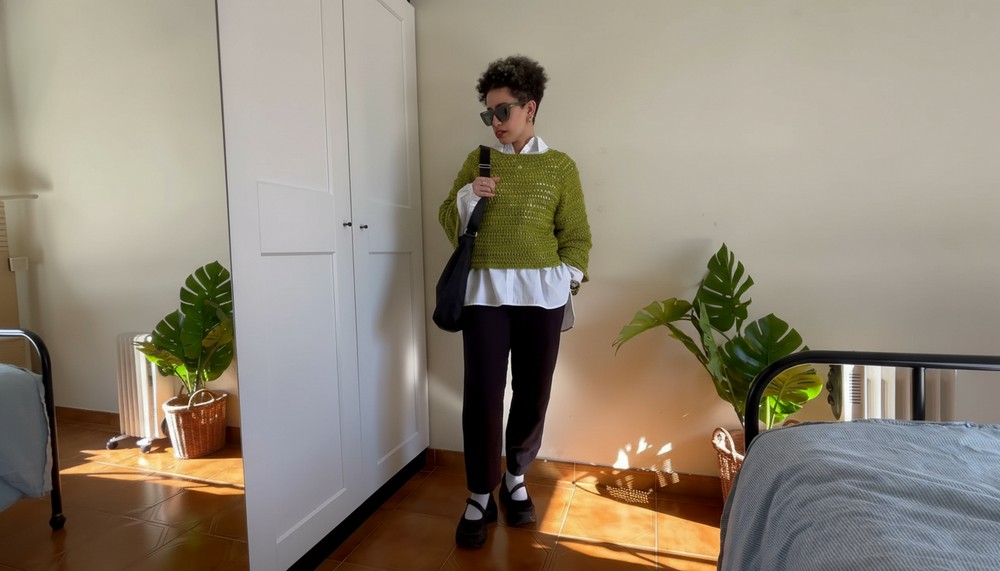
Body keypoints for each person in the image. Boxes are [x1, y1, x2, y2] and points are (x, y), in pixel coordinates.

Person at [438, 55, 592, 549]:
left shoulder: (559, 167)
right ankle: (480, 492)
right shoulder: (480, 159)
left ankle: (516, 477)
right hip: (486, 294)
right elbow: (447, 219)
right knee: (483, 392)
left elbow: (576, 235)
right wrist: (468, 197)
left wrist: (566, 277)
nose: (495, 122)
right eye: (489, 113)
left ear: (530, 108)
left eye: (502, 111)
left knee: (533, 390)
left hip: (541, 297)